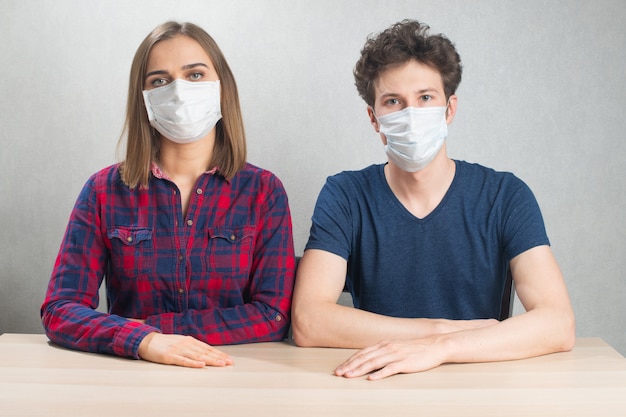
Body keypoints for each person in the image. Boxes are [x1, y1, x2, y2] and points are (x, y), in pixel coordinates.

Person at [291, 19, 575, 380]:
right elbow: (309, 320)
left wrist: (442, 348)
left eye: (425, 98)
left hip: (478, 380)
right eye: (393, 101)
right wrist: (439, 330)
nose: (411, 115)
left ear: (449, 109)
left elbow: (558, 323)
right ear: (374, 118)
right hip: (378, 381)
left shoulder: (505, 195)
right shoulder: (346, 194)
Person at [41, 21, 295, 368]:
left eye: (194, 75)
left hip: (235, 374)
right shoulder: (102, 191)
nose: (177, 92)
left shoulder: (263, 191)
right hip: (132, 373)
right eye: (159, 81)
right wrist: (142, 342)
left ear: (222, 87)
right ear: (143, 99)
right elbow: (60, 309)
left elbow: (272, 314)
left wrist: (154, 329)